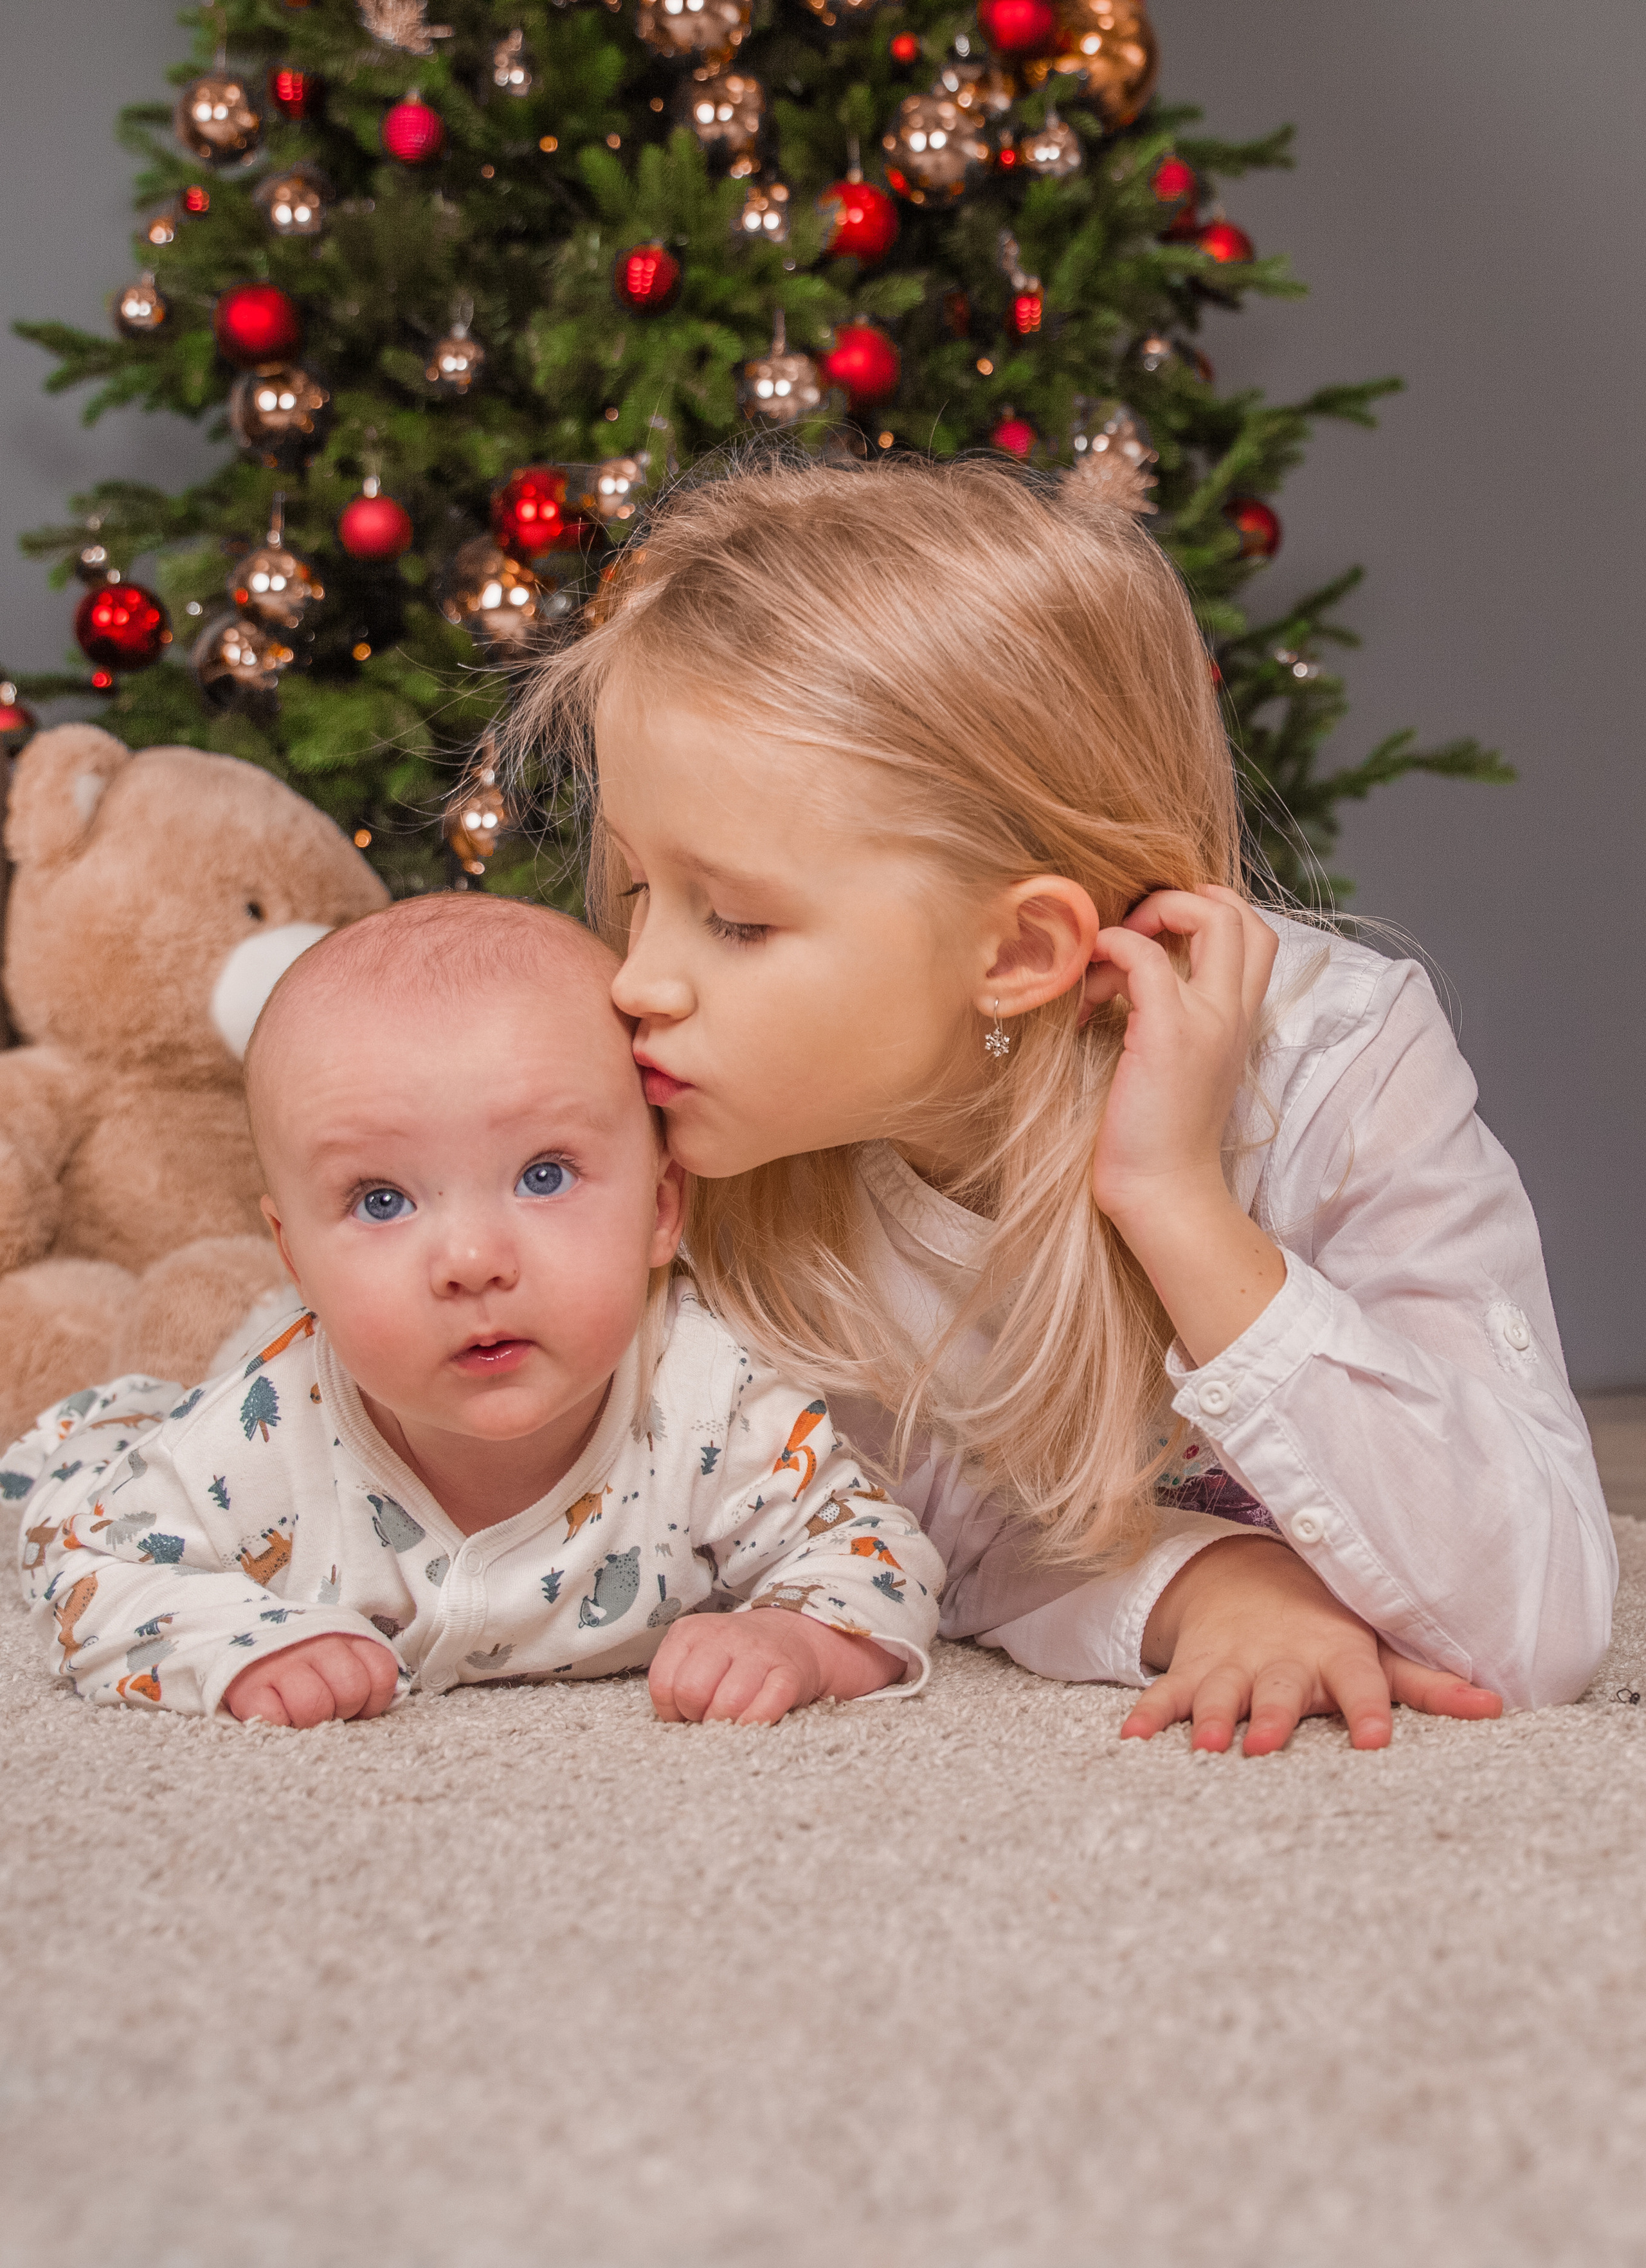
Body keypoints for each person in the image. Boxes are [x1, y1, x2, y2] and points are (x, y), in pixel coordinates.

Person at [511, 451, 1615, 1755]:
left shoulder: (1332, 1065)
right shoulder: (732, 1152)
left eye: (737, 921)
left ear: (1020, 954)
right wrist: (1208, 1583)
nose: (637, 982)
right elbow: (916, 1537)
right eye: (636, 890)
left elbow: (1533, 1618)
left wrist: (1176, 1205)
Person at [10, 896, 943, 1727]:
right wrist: (249, 1642)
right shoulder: (261, 1435)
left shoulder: (713, 1397)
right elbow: (93, 1571)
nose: (470, 1262)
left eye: (544, 1177)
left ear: (661, 1210)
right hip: (134, 1446)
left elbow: (872, 1550)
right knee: (64, 1483)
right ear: (296, 1255)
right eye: (382, 1201)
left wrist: (800, 1641)